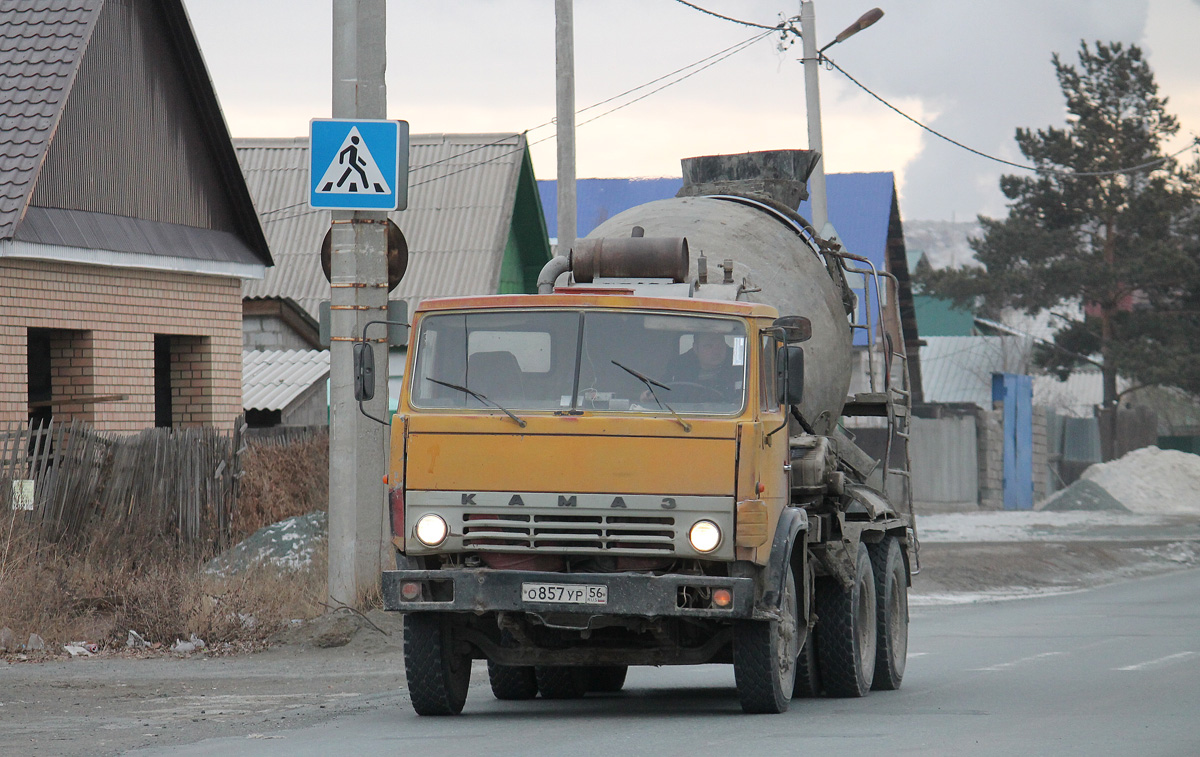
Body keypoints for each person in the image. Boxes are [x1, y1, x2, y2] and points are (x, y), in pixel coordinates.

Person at [662, 332, 742, 402]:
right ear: (696, 348)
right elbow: (663, 392)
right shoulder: (678, 369)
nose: (716, 351)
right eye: (708, 346)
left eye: (720, 345)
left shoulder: (740, 368)